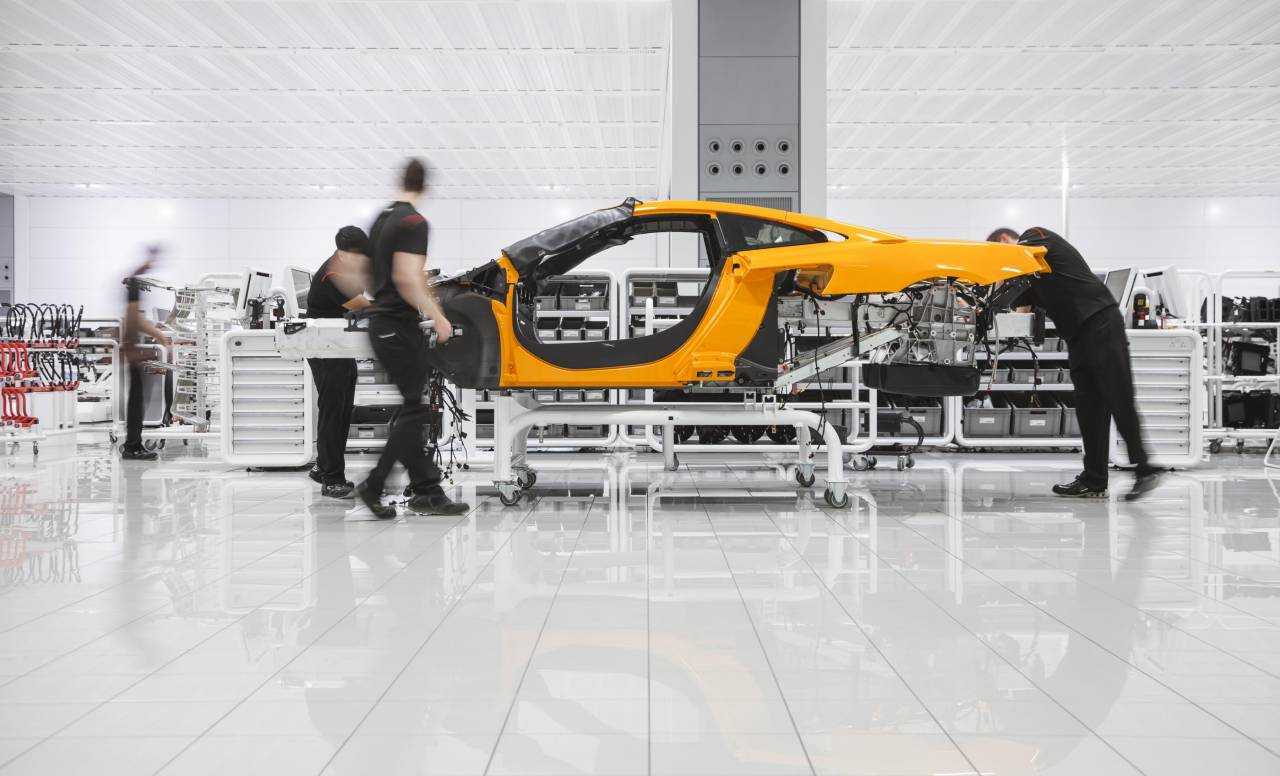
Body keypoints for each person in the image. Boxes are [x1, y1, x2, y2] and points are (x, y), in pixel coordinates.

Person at [988, 226, 1160, 500]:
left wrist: (999, 271)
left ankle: (1145, 468)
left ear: (1005, 241)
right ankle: (1094, 480)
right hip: (1079, 335)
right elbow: (1018, 307)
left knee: (1118, 396)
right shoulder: (1032, 278)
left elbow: (1019, 262)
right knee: (1089, 407)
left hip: (1100, 322)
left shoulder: (1035, 236)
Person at [354, 159, 469, 518]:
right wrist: (439, 316)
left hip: (382, 323)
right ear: (425, 186)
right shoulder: (414, 222)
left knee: (412, 409)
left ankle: (426, 490)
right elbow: (407, 277)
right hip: (396, 325)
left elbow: (366, 273)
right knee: (415, 410)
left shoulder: (382, 218)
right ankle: (374, 485)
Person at [305, 226, 373, 498]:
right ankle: (332, 479)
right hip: (325, 349)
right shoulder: (333, 275)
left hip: (339, 347)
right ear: (342, 253)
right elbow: (363, 307)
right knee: (333, 409)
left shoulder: (347, 267)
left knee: (343, 408)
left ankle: (323, 467)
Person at [120, 246, 171, 461]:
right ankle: (132, 447)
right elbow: (134, 319)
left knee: (137, 400)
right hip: (133, 352)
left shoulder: (134, 284)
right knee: (136, 401)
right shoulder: (134, 285)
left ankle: (133, 444)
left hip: (132, 350)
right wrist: (158, 334)